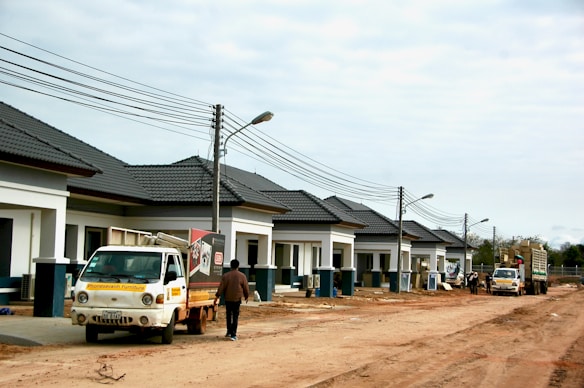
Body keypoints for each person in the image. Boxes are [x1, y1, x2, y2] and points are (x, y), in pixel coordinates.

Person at [214, 259, 250, 341]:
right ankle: (233, 334)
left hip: (228, 299)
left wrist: (217, 296)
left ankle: (229, 331)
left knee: (228, 315)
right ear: (238, 266)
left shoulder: (226, 276)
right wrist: (246, 296)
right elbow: (246, 288)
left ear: (230, 266)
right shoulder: (242, 276)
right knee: (235, 316)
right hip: (237, 299)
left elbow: (221, 288)